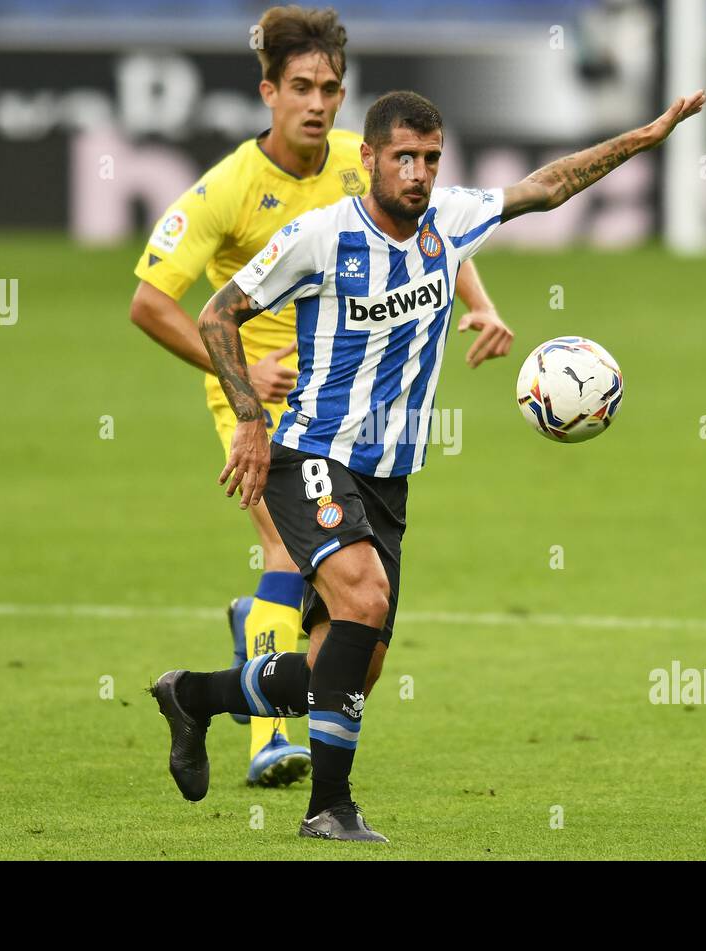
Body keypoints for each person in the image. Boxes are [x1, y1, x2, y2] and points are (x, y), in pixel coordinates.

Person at [150, 86, 706, 842]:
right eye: (403, 157)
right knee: (366, 600)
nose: (417, 173)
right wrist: (251, 420)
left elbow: (549, 185)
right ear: (370, 159)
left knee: (342, 672)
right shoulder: (321, 236)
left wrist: (647, 134)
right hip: (311, 450)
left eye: (430, 159)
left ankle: (195, 696)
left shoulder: (453, 220)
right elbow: (219, 314)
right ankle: (329, 809)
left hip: (387, 477)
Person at [130, 6, 512, 788]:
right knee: (283, 553)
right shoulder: (228, 188)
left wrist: (480, 299)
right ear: (268, 91)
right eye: (300, 87)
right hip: (262, 399)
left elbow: (431, 227)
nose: (317, 103)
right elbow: (153, 303)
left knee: (353, 652)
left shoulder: (363, 159)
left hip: (360, 404)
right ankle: (272, 740)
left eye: (330, 88)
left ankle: (214, 685)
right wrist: (238, 386)